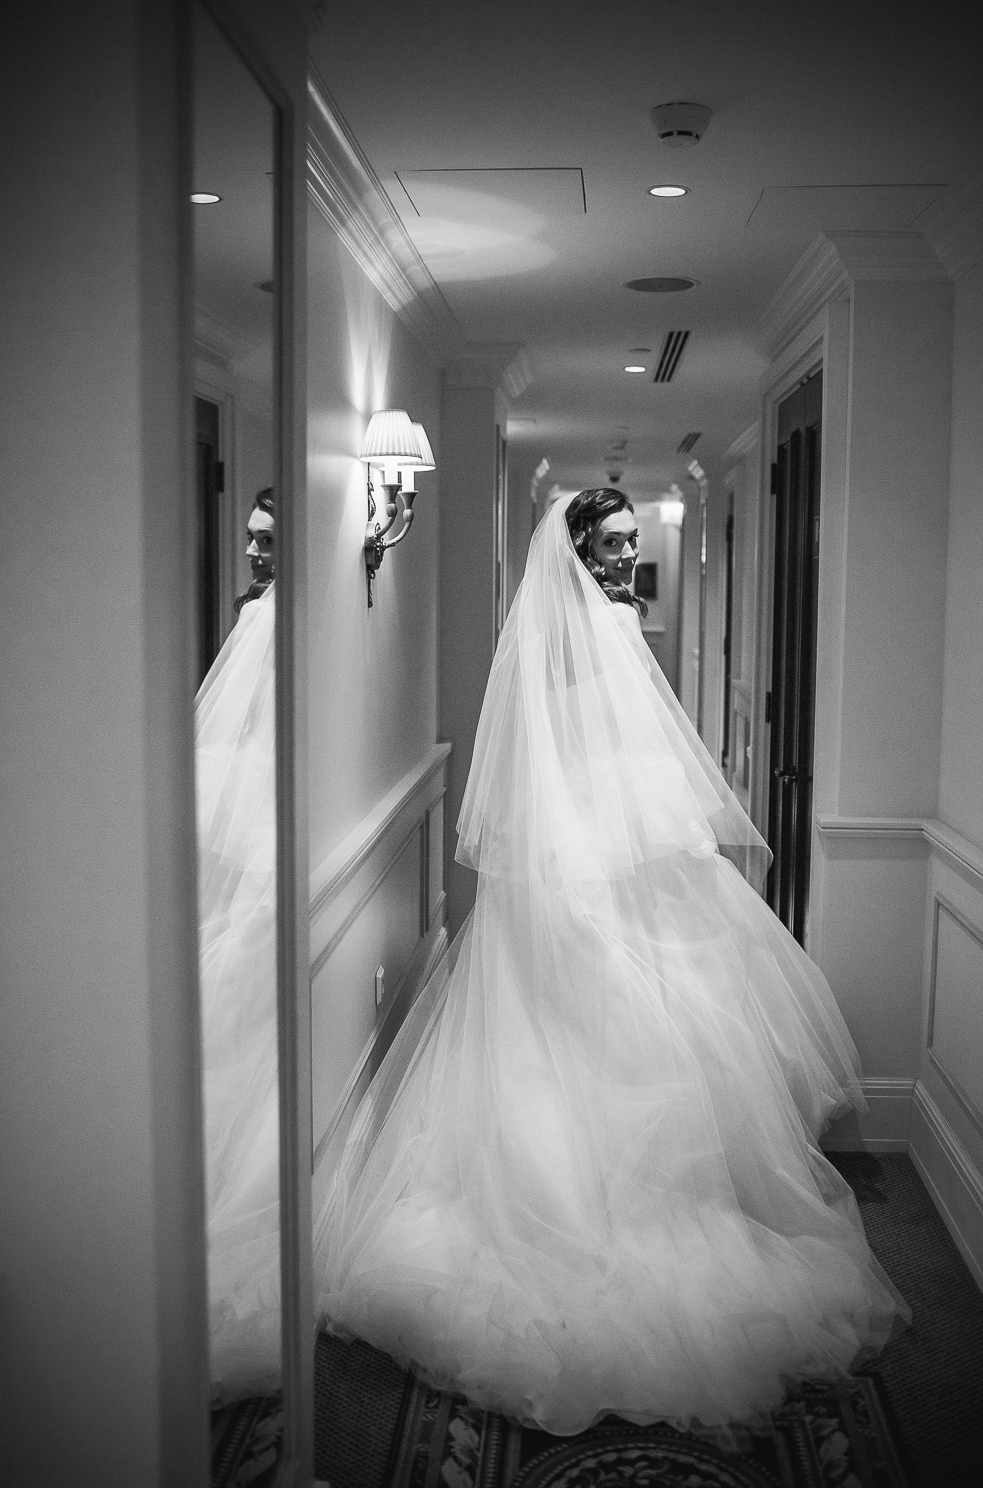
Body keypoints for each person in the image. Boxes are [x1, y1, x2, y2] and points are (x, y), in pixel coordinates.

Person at [313, 487, 908, 1439]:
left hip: (617, 842)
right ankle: (599, 1214)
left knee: (636, 1035)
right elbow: (572, 750)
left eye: (633, 542)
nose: (628, 557)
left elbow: (614, 741)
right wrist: (590, 857)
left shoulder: (590, 624)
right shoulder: (585, 628)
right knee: (600, 1033)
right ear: (580, 550)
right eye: (615, 544)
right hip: (591, 847)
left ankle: (648, 1193)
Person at [197, 488, 280, 1401]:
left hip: (263, 833)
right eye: (251, 539)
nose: (253, 553)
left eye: (267, 540)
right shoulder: (260, 613)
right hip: (246, 827)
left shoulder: (275, 619)